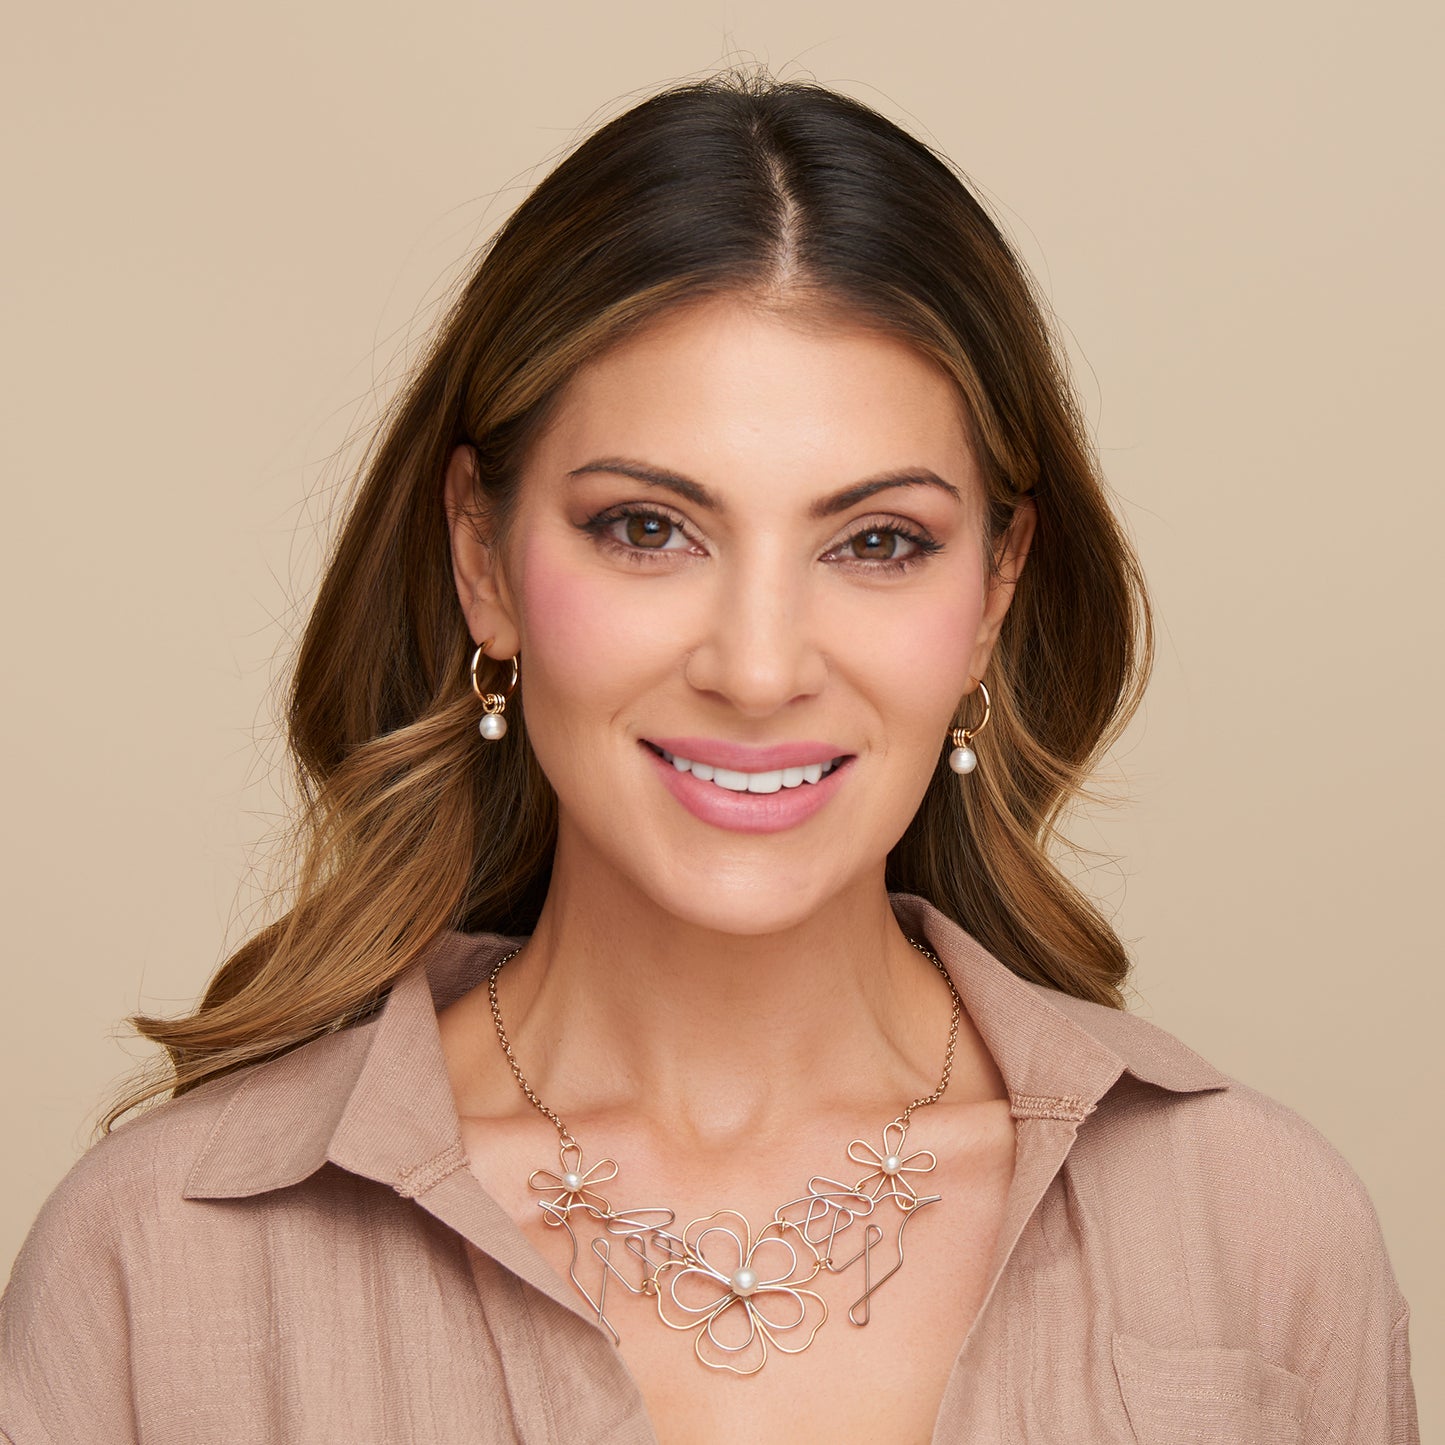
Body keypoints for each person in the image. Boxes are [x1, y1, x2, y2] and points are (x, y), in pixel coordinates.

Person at [0, 70, 1417, 1444]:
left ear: (991, 591)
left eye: (875, 542)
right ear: (481, 557)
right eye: (646, 527)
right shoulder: (154, 1265)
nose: (755, 665)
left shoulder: (1254, 1230)